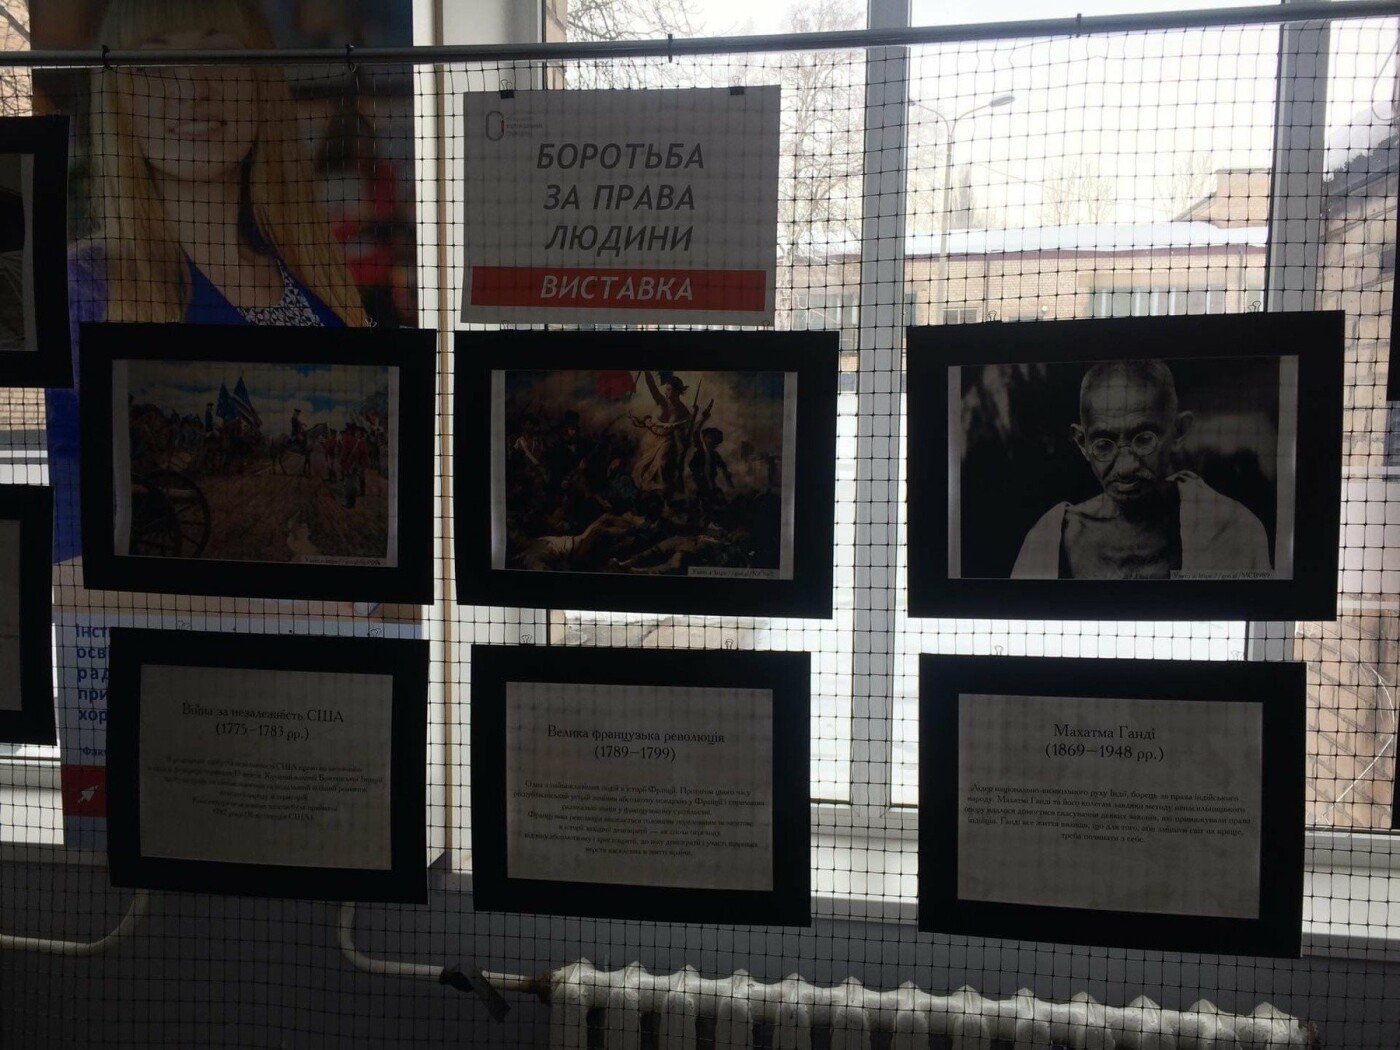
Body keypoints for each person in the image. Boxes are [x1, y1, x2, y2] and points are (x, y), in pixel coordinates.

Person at [45, 0, 368, 569]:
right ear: (118, 96)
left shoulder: (320, 279)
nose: (193, 89)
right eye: (154, 65)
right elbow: (62, 554)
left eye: (218, 56)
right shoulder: (83, 290)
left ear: (261, 82)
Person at [1012, 359, 1271, 580]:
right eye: (1104, 445)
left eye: (1144, 440)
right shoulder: (1053, 540)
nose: (1126, 467)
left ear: (1178, 432)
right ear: (1083, 443)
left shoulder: (1231, 529)